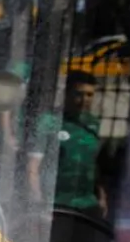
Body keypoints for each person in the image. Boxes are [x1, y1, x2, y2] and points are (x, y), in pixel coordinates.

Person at [28, 72, 107, 219]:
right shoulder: (49, 122)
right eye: (79, 94)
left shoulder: (92, 124)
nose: (85, 99)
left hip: (87, 205)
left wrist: (101, 196)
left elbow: (93, 164)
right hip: (57, 203)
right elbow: (33, 167)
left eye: (89, 95)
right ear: (67, 93)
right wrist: (38, 201)